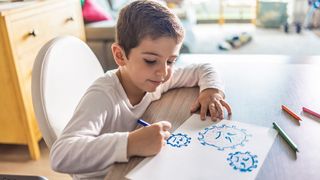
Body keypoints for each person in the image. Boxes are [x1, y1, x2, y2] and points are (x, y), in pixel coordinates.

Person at [50, 0, 232, 179]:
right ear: (120, 56)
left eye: (171, 61)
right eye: (151, 60)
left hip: (136, 165)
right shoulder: (102, 96)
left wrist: (211, 91)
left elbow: (204, 68)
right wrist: (131, 143)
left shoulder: (154, 79)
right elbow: (61, 155)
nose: (164, 72)